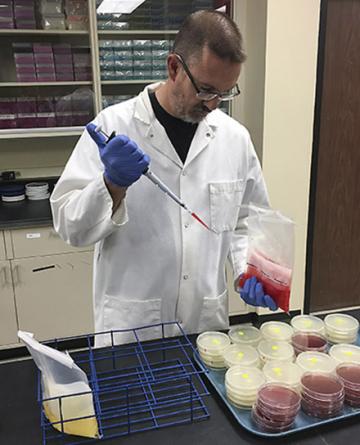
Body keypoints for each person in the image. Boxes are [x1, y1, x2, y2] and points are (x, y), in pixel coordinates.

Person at [50, 10, 277, 346]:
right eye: (206, 90)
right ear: (174, 67)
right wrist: (111, 185)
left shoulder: (235, 139)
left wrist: (248, 270)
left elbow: (247, 221)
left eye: (225, 93)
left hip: (207, 330)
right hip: (132, 330)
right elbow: (69, 227)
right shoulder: (113, 126)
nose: (214, 104)